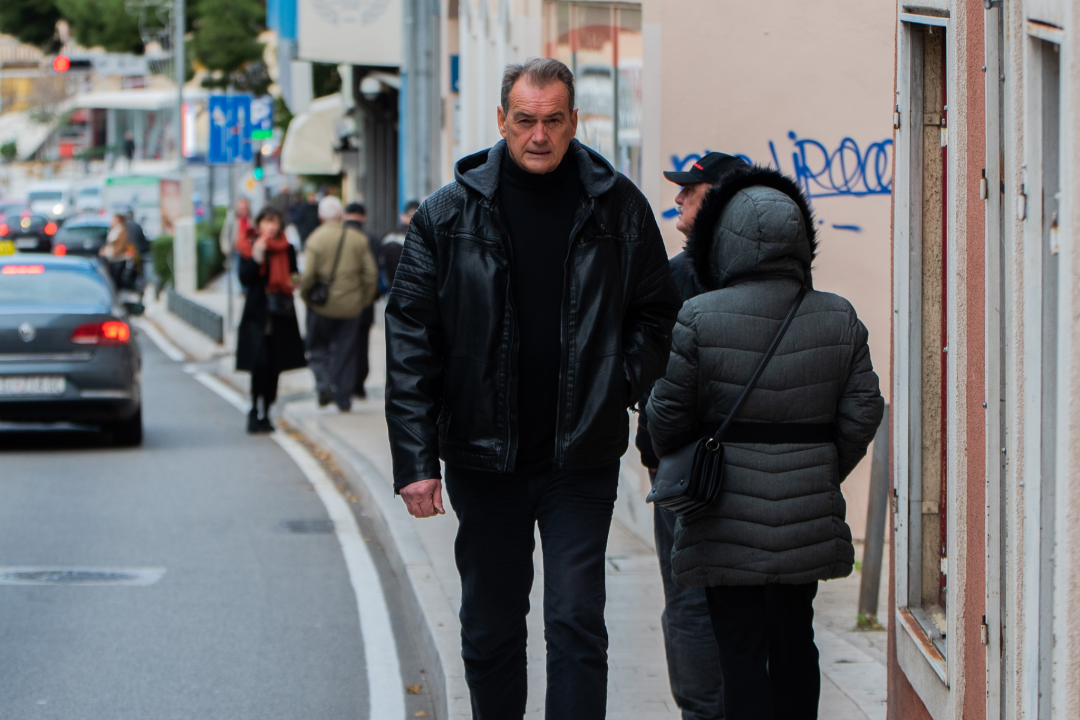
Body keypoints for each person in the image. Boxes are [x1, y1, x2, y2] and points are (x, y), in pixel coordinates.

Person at [384, 58, 680, 720]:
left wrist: (617, 383)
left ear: (573, 121)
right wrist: (415, 462)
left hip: (581, 456)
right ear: (501, 120)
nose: (538, 135)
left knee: (576, 621)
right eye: (524, 120)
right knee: (491, 626)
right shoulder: (447, 214)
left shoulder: (619, 207)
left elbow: (658, 314)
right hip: (482, 456)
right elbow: (410, 340)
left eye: (551, 120)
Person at [646, 166, 885, 719]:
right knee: (796, 638)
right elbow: (864, 409)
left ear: (723, 241)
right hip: (804, 515)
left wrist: (696, 456)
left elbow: (667, 416)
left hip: (722, 516)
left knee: (738, 647)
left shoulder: (699, 316)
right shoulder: (838, 315)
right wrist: (822, 466)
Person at [635, 152, 749, 720]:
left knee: (690, 601)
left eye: (691, 191)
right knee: (755, 604)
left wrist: (654, 452)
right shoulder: (780, 277)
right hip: (762, 467)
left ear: (720, 201)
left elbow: (653, 378)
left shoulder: (677, 278)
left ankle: (703, 711)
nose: (678, 199)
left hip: (687, 470)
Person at [300, 196, 378, 412]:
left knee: (317, 348)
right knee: (346, 352)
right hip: (351, 306)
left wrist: (306, 297)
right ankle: (343, 398)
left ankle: (324, 384)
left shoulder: (315, 239)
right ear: (341, 216)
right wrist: (363, 300)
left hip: (322, 306)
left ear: (320, 217)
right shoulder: (357, 239)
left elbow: (308, 276)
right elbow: (371, 274)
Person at [235, 206, 307, 433]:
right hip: (257, 314)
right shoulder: (251, 246)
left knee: (275, 365)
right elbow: (244, 278)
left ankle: (266, 411)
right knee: (259, 364)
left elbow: (294, 273)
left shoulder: (288, 248)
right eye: (266, 222)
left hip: (281, 314)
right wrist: (257, 256)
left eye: (274, 222)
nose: (270, 226)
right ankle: (253, 409)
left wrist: (294, 282)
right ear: (259, 224)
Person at [341, 202, 381, 399]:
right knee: (362, 343)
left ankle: (343, 385)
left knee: (341, 343)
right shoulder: (371, 239)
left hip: (341, 301)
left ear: (344, 216)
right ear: (364, 217)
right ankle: (358, 384)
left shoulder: (338, 236)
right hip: (364, 302)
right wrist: (369, 297)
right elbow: (374, 272)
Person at [379, 200, 419, 290]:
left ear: (402, 216)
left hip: (391, 287)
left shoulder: (388, 236)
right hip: (413, 288)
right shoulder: (420, 237)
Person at [99, 213, 135, 288]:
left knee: (116, 280)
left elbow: (120, 247)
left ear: (118, 220)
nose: (111, 221)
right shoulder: (114, 230)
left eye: (113, 219)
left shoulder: (121, 231)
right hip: (112, 258)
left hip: (118, 258)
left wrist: (107, 252)